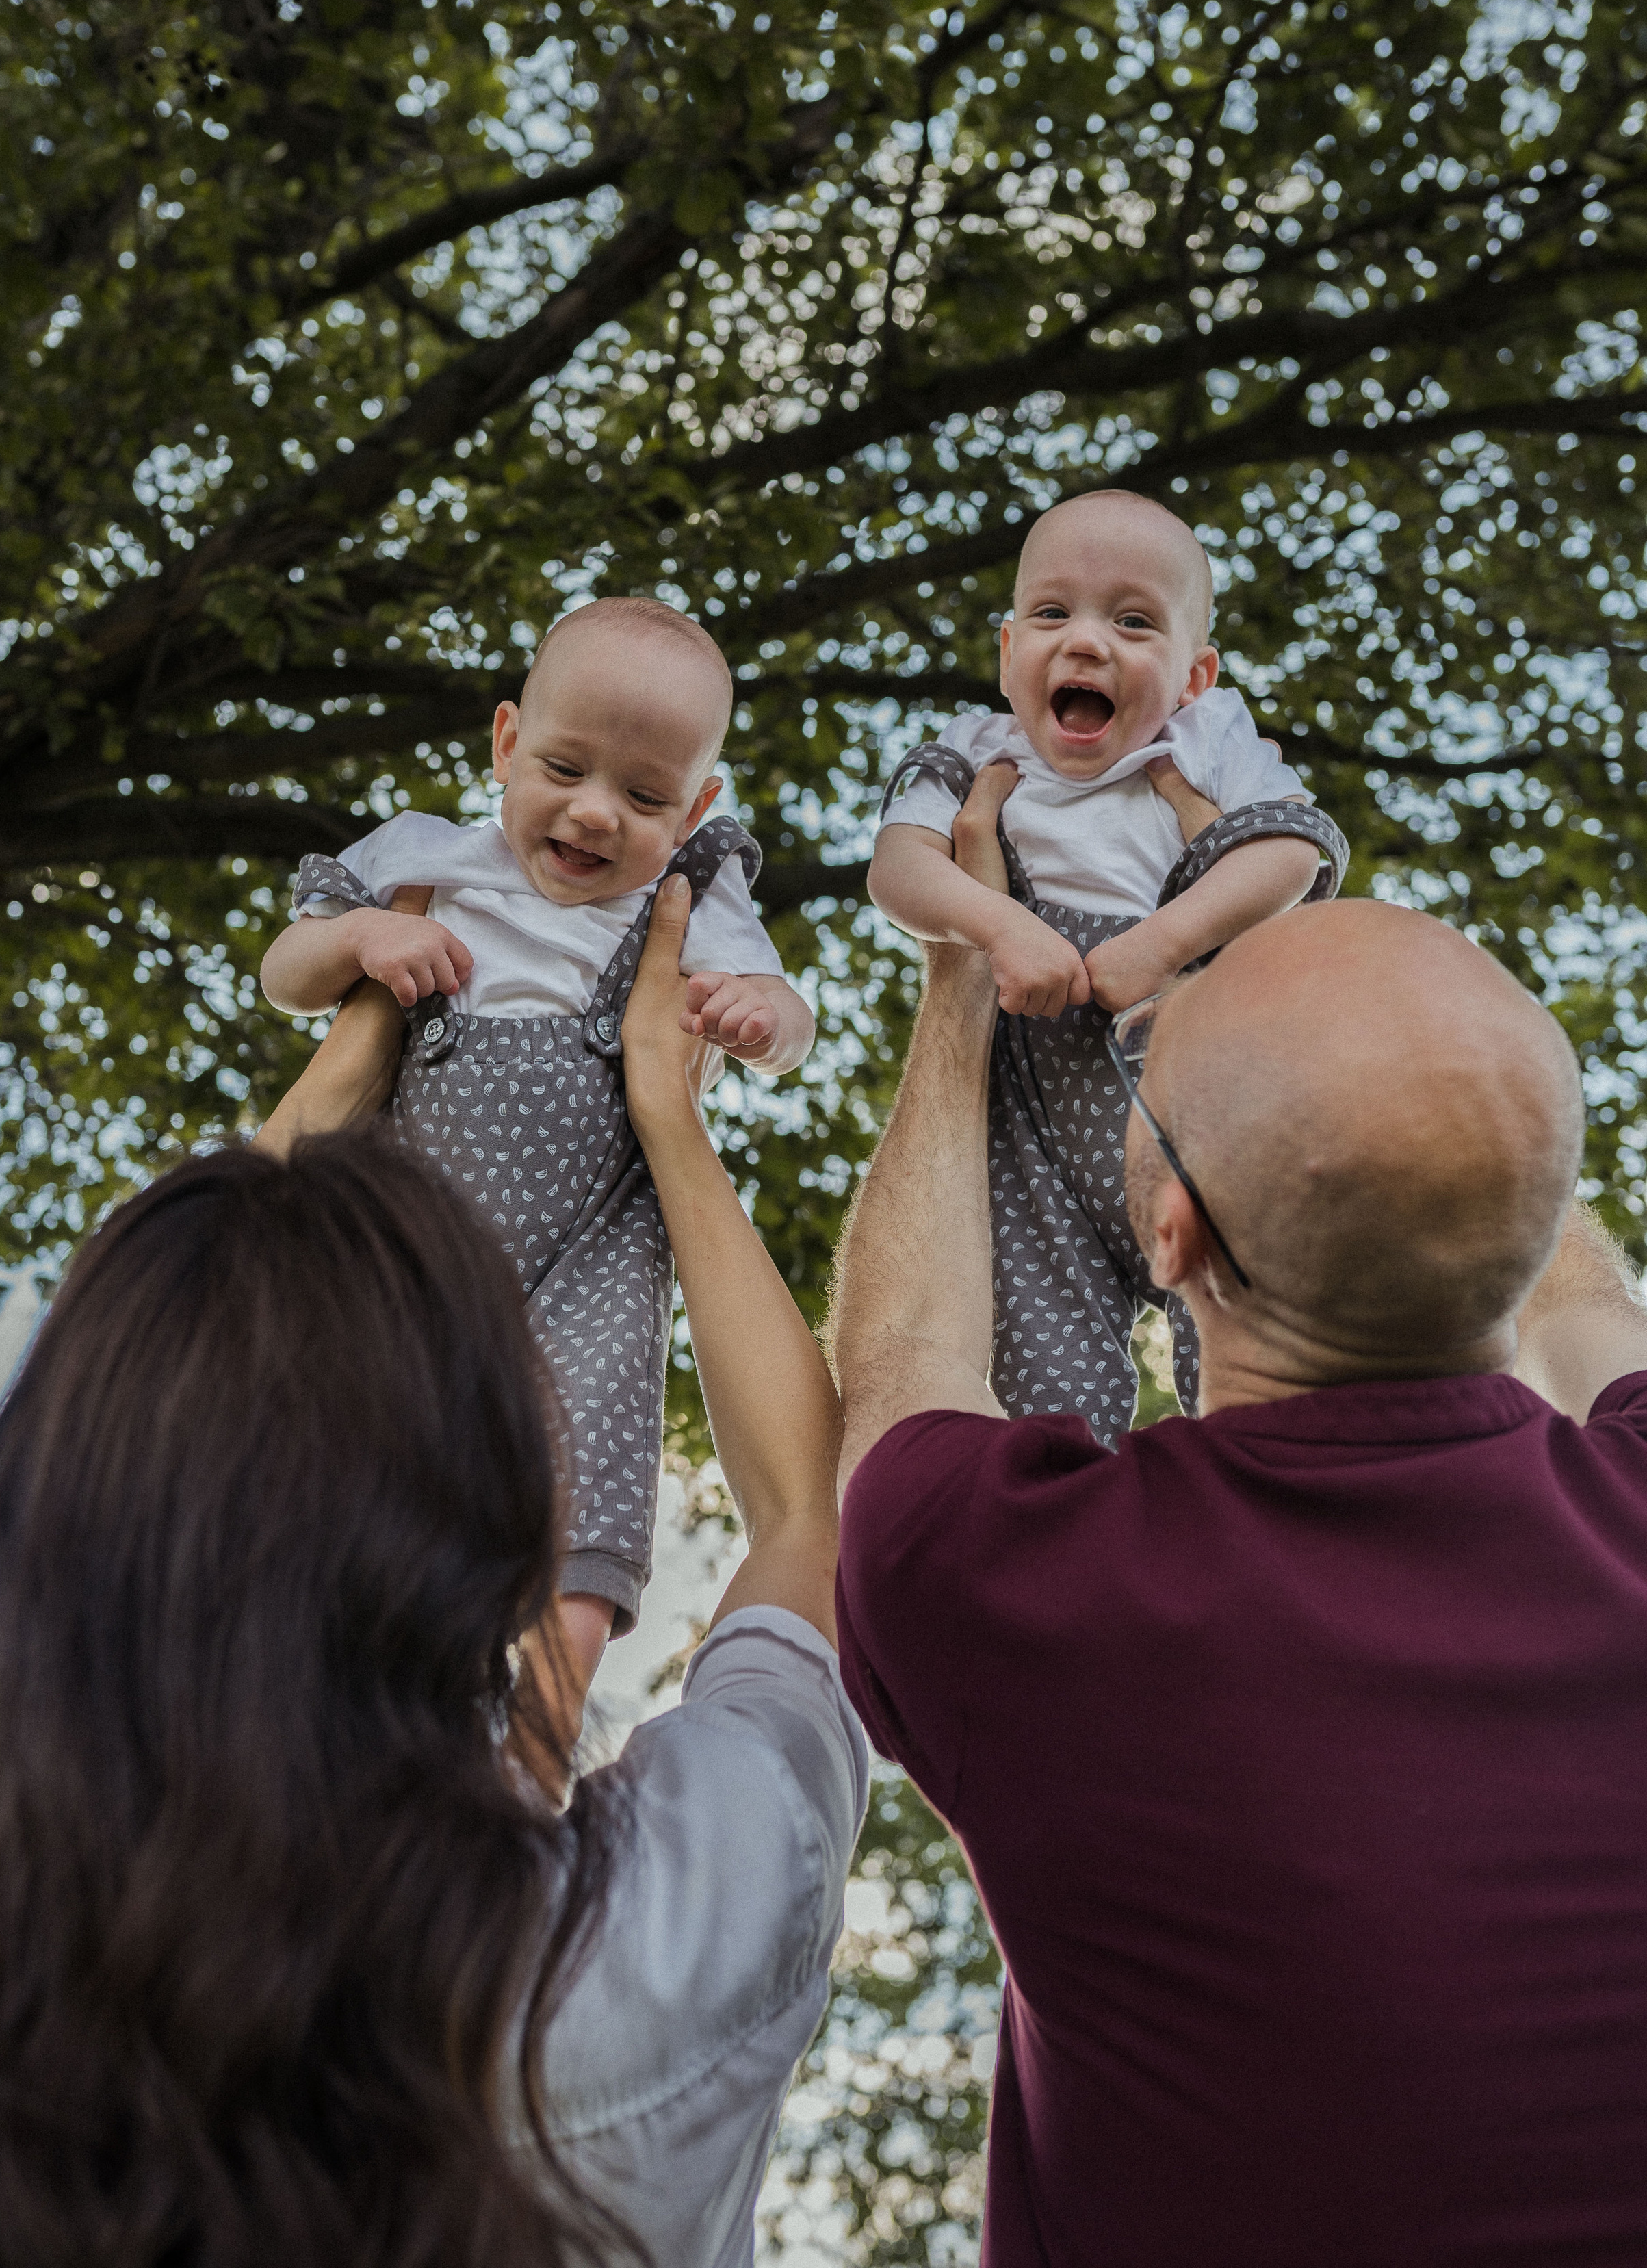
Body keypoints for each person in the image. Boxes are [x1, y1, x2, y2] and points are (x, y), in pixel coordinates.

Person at [0, 881, 865, 2268]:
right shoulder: (674, 1919)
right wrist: (669, 1121)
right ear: (512, 1515)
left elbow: (93, 1431)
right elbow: (804, 1514)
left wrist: (359, 1040)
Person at [831, 886, 1647, 2267]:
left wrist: (960, 969)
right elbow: (1583, 1303)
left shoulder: (1014, 1581)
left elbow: (907, 1349)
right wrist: (1418, 1077)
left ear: (1174, 1237)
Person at [257, 595, 816, 1705]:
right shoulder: (430, 856)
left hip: (596, 1248)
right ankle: (316, 1666)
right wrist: (364, 935)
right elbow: (287, 971)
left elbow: (790, 1018)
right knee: (346, 1437)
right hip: (413, 1229)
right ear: (507, 742)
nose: (596, 813)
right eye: (565, 768)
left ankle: (545, 1725)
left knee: (593, 1467)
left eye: (646, 797)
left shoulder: (691, 897)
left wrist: (762, 1020)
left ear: (698, 807)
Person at [869, 489, 1348, 1430]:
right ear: (1008, 652)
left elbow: (1293, 851)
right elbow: (899, 870)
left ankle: (1258, 1478)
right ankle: (1072, 1496)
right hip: (1033, 1137)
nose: (1086, 642)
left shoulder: (1210, 743)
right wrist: (1000, 928)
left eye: (1133, 622)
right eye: (1053, 613)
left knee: (1257, 1359)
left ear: (1194, 675)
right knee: (1044, 1385)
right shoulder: (972, 751)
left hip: (1197, 1114)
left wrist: (1165, 942)